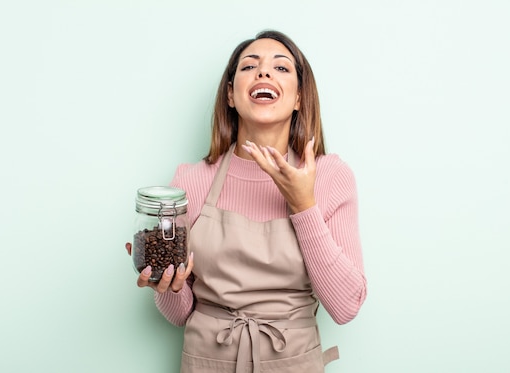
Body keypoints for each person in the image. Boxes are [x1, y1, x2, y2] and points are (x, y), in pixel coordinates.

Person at [125, 29, 367, 373]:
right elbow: (179, 315)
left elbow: (346, 306)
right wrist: (166, 286)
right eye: (249, 66)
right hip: (207, 362)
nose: (264, 73)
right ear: (230, 95)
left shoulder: (329, 176)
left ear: (299, 97)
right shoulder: (192, 180)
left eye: (281, 68)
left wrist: (303, 206)